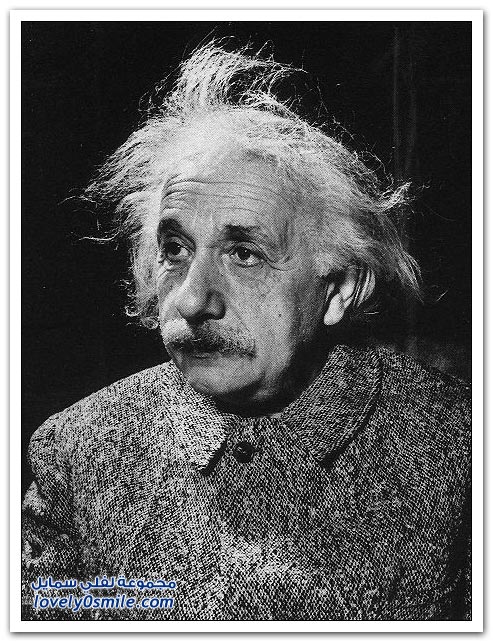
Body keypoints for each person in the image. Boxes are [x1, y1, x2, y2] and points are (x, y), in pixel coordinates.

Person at [22, 42, 471, 621]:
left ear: (338, 289)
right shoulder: (76, 452)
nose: (193, 300)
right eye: (175, 249)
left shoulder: (461, 447)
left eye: (245, 253)